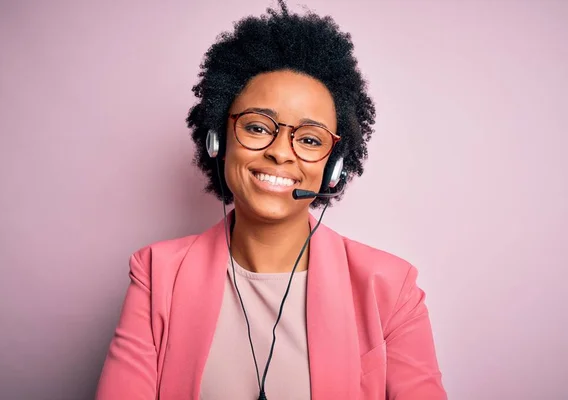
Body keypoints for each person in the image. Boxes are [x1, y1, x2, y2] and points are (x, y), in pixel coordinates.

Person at [95, 1, 447, 399]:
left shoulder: (391, 288)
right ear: (218, 141)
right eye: (259, 127)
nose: (281, 152)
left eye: (310, 139)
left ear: (333, 167)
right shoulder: (156, 274)